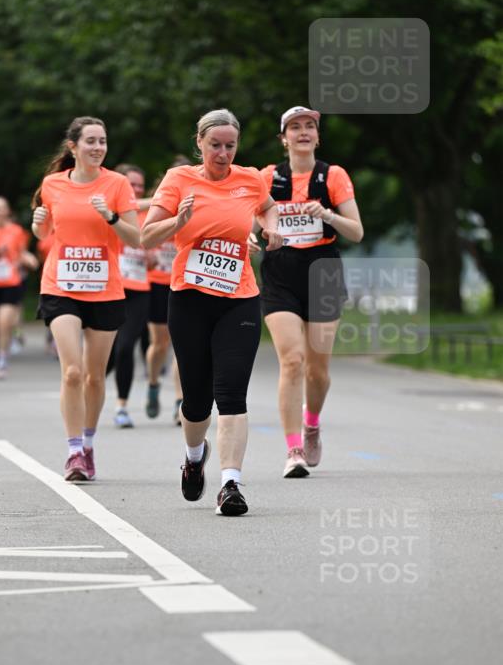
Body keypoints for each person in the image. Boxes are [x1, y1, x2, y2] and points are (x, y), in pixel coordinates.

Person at [142, 109, 282, 516]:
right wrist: (177, 221)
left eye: (230, 146)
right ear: (199, 143)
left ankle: (231, 484)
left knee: (232, 394)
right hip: (189, 298)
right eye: (215, 145)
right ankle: (192, 456)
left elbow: (268, 207)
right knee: (197, 400)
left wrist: (271, 228)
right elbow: (148, 235)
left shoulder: (250, 178)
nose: (222, 153)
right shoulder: (178, 180)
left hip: (239, 298)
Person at [31, 116, 140, 482]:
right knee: (73, 371)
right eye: (90, 141)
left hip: (105, 288)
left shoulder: (117, 184)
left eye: (102, 141)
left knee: (95, 377)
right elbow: (44, 231)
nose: (97, 147)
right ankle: (74, 450)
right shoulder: (52, 185)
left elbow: (135, 238)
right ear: (73, 147)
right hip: (60, 285)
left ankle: (89, 444)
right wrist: (38, 221)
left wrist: (110, 217)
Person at [260, 106, 364, 477]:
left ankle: (312, 423)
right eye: (295, 127)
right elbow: (248, 217)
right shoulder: (267, 177)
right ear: (283, 138)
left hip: (323, 273)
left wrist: (328, 215)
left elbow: (356, 231)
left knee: (318, 372)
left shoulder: (332, 175)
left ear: (318, 136)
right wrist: (256, 233)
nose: (303, 132)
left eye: (309, 127)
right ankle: (293, 451)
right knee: (292, 360)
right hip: (281, 273)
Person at [144, 155, 189, 425]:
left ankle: (180, 402)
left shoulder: (197, 204)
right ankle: (152, 383)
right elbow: (141, 239)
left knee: (181, 347)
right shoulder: (156, 208)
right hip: (158, 283)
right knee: (160, 344)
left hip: (186, 282)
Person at [107, 164, 151, 428]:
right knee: (106, 355)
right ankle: (91, 387)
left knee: (126, 348)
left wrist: (152, 254)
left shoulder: (148, 216)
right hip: (111, 289)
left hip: (139, 291)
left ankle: (121, 406)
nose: (135, 190)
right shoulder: (111, 212)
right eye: (130, 184)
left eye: (139, 186)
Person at [0, 196, 38, 379]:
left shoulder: (16, 231)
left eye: (2, 208)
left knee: (4, 322)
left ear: (7, 211)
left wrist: (28, 258)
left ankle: (1, 359)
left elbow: (20, 252)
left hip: (9, 282)